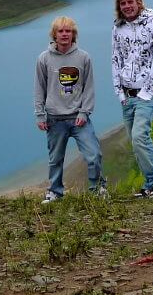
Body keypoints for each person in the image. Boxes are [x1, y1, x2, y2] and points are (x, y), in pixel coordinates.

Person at [34, 15, 106, 203]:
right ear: (54, 35)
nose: (65, 34)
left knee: (94, 154)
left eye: (68, 31)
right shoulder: (44, 58)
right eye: (61, 31)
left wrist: (84, 112)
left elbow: (88, 87)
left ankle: (97, 189)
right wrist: (40, 115)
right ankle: (55, 192)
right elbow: (39, 88)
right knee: (55, 159)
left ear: (74, 34)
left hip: (79, 119)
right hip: (54, 119)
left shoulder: (83, 57)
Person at [111, 0, 153, 197]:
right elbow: (116, 59)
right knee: (137, 142)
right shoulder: (117, 28)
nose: (127, 6)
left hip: (148, 93)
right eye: (122, 3)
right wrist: (119, 92)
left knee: (139, 136)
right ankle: (149, 184)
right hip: (127, 95)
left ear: (139, 2)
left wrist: (147, 91)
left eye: (130, 2)